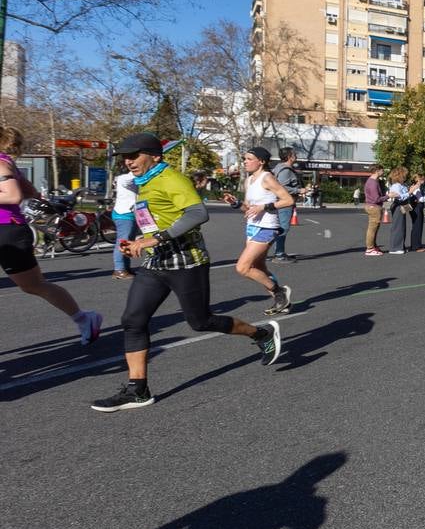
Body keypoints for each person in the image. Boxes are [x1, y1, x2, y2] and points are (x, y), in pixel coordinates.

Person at [92, 133, 280, 412]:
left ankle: (260, 334)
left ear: (155, 156)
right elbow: (154, 220)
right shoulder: (145, 181)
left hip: (186, 262)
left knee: (201, 322)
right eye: (125, 157)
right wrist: (138, 242)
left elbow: (197, 214)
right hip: (156, 263)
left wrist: (154, 239)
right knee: (133, 320)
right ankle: (138, 389)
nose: (128, 161)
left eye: (134, 155)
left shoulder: (171, 178)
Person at [0, 127, 103, 343]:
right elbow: (31, 192)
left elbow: (13, 195)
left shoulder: (0, 162)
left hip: (7, 230)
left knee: (33, 285)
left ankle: (84, 319)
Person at [225, 147, 295, 315]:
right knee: (259, 267)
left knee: (243, 267)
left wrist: (264, 206)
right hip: (252, 226)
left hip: (267, 227)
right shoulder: (248, 181)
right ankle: (281, 302)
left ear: (261, 161)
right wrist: (235, 203)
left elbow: (288, 200)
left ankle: (280, 292)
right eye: (245, 159)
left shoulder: (268, 178)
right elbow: (249, 208)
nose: (245, 162)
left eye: (249, 159)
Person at [270, 147, 301, 262]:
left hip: (279, 202)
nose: (296, 156)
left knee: (279, 228)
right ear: (289, 157)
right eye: (294, 154)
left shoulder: (279, 168)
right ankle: (279, 254)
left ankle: (279, 252)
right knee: (283, 228)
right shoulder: (285, 170)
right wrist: (298, 190)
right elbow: (281, 187)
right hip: (284, 202)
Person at [110, 166, 138, 280]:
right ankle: (119, 269)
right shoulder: (124, 178)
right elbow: (130, 180)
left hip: (131, 214)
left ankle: (125, 267)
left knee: (128, 242)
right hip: (124, 214)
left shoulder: (136, 178)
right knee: (122, 241)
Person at [385, 167, 412, 255]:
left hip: (402, 205)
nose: (405, 177)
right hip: (398, 206)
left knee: (402, 226)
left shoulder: (401, 185)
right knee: (398, 227)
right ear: (399, 176)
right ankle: (395, 248)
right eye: (404, 175)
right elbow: (399, 197)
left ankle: (400, 246)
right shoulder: (396, 186)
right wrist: (410, 192)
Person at [362, 166, 385, 256]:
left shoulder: (373, 181)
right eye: (382, 170)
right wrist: (389, 196)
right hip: (374, 207)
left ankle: (373, 246)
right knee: (372, 228)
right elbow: (376, 199)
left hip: (372, 206)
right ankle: (370, 249)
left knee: (374, 228)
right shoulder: (373, 183)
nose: (383, 171)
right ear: (376, 171)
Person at [408, 173, 425, 251]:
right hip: (416, 207)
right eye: (422, 179)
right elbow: (411, 195)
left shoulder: (420, 187)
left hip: (419, 206)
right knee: (417, 226)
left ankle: (415, 244)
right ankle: (416, 246)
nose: (424, 180)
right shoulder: (415, 186)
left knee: (417, 226)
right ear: (417, 179)